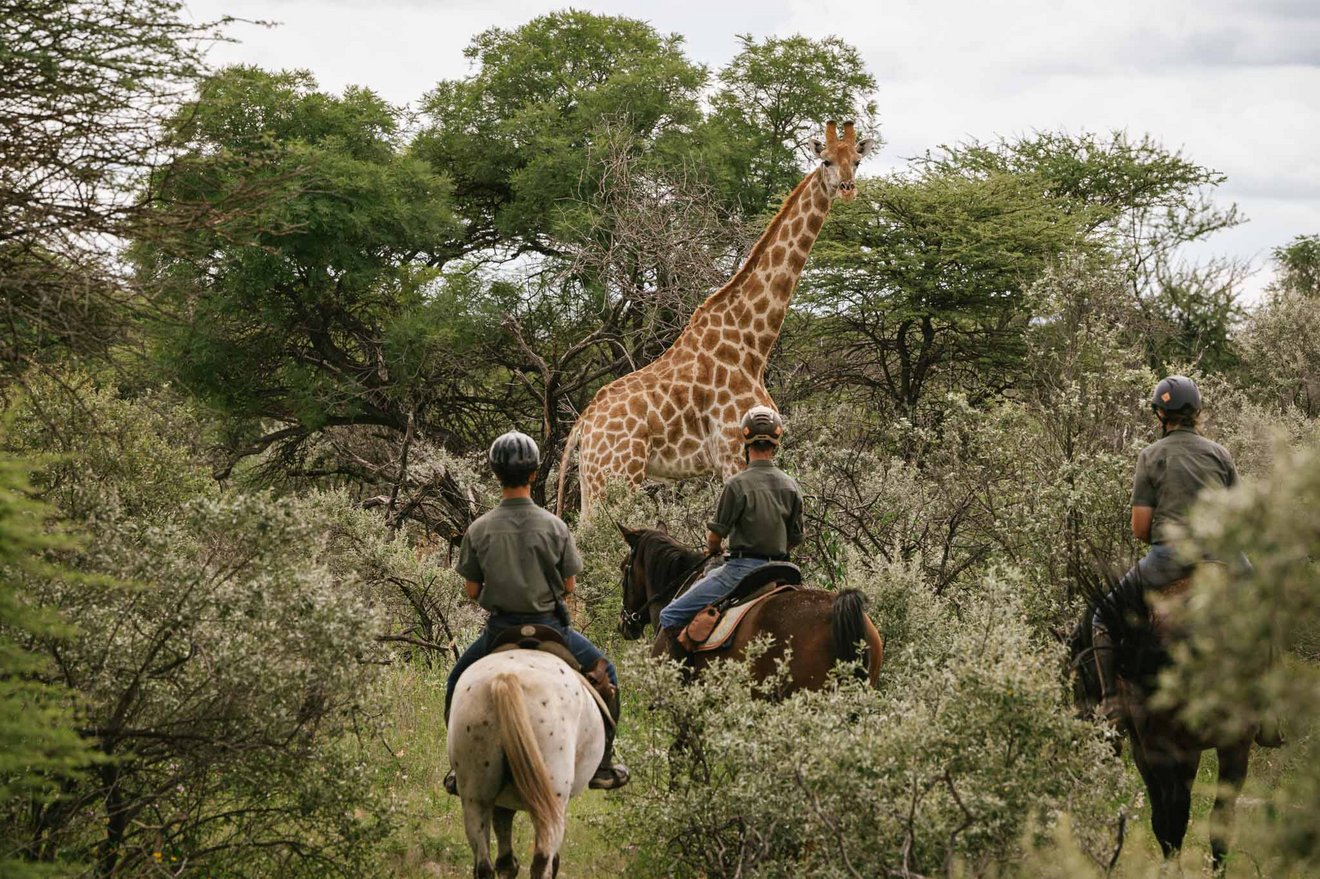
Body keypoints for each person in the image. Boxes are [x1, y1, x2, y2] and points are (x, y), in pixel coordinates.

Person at [443, 430, 629, 794]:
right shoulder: (555, 526)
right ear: (533, 474)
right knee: (610, 674)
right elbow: (570, 586)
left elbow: (471, 590)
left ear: (496, 474)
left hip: (500, 631)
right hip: (551, 630)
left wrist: (498, 594)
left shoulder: (479, 529)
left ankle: (456, 768)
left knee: (456, 682)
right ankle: (603, 764)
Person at [1092, 376, 1237, 722]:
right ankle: (1267, 716)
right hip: (1220, 557)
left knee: (1102, 617)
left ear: (1161, 414)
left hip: (1167, 559)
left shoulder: (1151, 455)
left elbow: (1140, 528)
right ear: (1197, 412)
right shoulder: (1221, 454)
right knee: (1264, 605)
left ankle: (1111, 703)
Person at [658, 406, 804, 640]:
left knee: (670, 615)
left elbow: (715, 538)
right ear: (776, 442)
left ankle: (679, 676)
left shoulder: (737, 484)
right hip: (781, 571)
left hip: (741, 571)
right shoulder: (791, 485)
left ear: (745, 440)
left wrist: (714, 549)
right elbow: (795, 538)